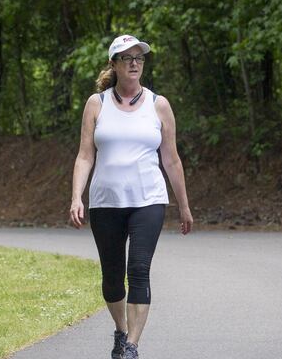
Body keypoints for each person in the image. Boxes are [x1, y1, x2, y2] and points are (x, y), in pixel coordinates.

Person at [69, 34, 194, 359]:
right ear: (114, 64)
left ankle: (131, 347)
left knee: (138, 269)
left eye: (139, 58)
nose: (135, 63)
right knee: (112, 277)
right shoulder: (97, 104)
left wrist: (183, 205)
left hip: (148, 200)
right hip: (105, 202)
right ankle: (121, 330)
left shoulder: (159, 105)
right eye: (127, 58)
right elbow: (85, 156)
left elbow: (171, 158)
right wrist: (76, 197)